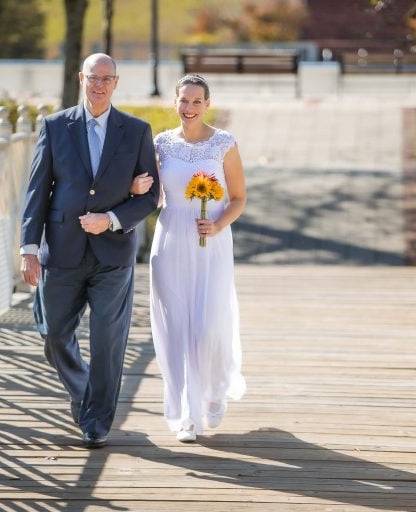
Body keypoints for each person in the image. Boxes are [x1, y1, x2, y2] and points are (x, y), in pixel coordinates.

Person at [20, 53, 160, 449]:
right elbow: (37, 191)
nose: (99, 85)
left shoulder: (135, 130)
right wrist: (28, 247)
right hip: (61, 249)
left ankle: (96, 421)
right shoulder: (54, 126)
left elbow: (149, 196)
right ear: (81, 78)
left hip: (112, 255)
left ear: (116, 83)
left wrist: (113, 218)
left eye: (107, 79)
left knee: (107, 339)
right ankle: (84, 394)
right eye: (93, 78)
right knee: (54, 335)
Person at [134, 74, 247, 443]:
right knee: (177, 329)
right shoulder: (162, 144)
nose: (189, 108)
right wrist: (135, 186)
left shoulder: (224, 144)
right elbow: (149, 194)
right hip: (170, 241)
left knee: (207, 325)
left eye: (197, 101)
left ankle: (212, 393)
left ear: (207, 104)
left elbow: (239, 199)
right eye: (184, 100)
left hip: (210, 241)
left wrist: (216, 226)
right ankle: (186, 414)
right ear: (175, 101)